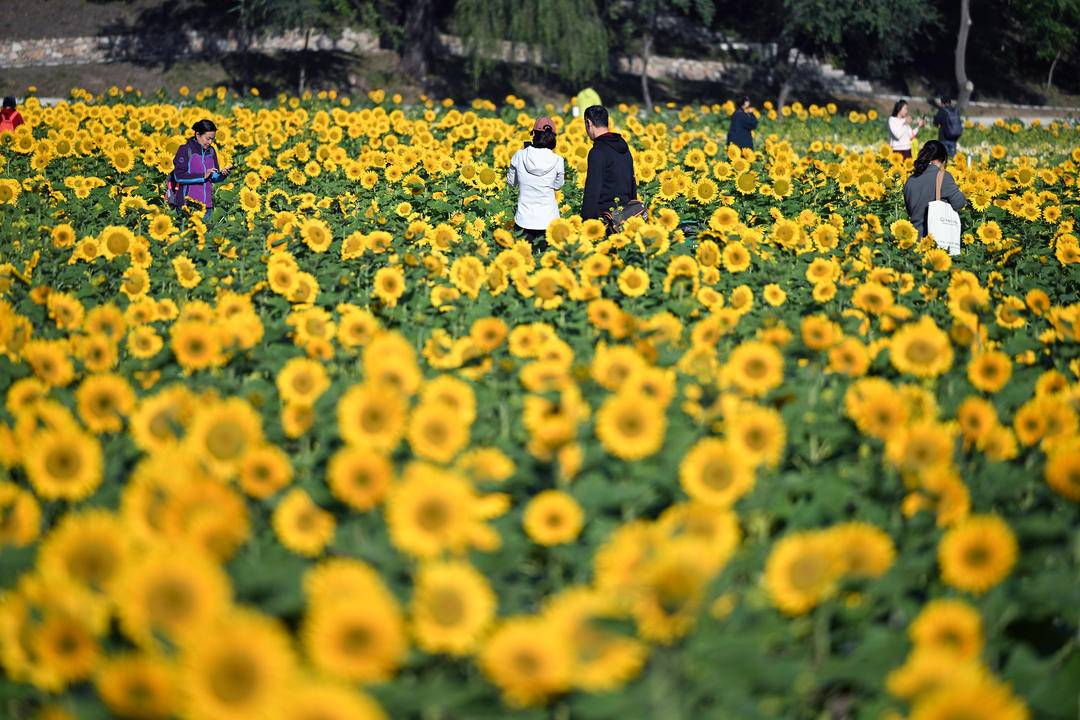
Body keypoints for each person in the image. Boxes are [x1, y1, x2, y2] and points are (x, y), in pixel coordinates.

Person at [506, 117, 565, 251]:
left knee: (524, 259)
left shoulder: (519, 156)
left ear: (533, 134)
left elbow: (511, 182)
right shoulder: (558, 160)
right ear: (553, 137)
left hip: (524, 219)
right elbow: (558, 186)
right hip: (549, 219)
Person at [581, 105, 637, 222]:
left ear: (589, 123)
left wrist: (587, 221)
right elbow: (632, 182)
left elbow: (593, 190)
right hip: (626, 214)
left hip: (606, 218)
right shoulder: (624, 146)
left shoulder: (598, 152)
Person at [171, 119, 232, 224]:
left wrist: (222, 174)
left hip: (206, 206)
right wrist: (203, 175)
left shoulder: (211, 151)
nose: (210, 142)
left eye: (212, 139)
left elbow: (213, 177)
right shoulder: (185, 150)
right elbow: (179, 176)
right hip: (187, 205)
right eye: (208, 139)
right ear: (198, 135)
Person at [903, 140, 966, 238]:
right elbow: (959, 203)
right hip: (936, 240)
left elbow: (910, 210)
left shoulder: (910, 180)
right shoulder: (943, 177)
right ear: (942, 159)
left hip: (914, 240)